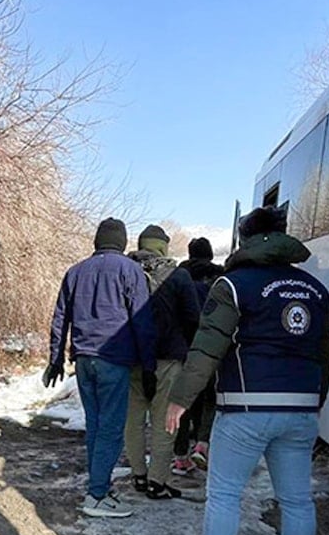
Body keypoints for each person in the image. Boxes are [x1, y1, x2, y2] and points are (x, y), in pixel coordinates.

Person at [161, 206, 329, 535]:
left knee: (224, 494)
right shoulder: (315, 290)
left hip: (246, 409)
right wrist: (316, 402)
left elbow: (206, 348)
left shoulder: (234, 285)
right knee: (296, 501)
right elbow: (326, 354)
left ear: (246, 240)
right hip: (301, 409)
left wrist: (180, 399)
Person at [44, 218, 156, 518]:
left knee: (95, 425)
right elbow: (142, 322)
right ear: (122, 242)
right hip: (114, 359)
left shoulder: (75, 271)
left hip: (83, 360)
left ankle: (100, 488)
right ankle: (96, 496)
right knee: (111, 429)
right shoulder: (131, 271)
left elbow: (60, 319)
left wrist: (55, 359)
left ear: (97, 241)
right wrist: (149, 367)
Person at [124, 224, 199, 498]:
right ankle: (158, 481)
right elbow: (193, 318)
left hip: (133, 360)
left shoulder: (128, 272)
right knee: (165, 423)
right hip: (169, 360)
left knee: (133, 421)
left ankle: (138, 475)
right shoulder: (179, 276)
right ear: (163, 247)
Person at [176, 237, 224, 469]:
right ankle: (202, 444)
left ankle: (181, 456)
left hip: (184, 347)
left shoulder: (179, 275)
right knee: (209, 398)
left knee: (184, 399)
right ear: (211, 253)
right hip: (212, 347)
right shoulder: (221, 277)